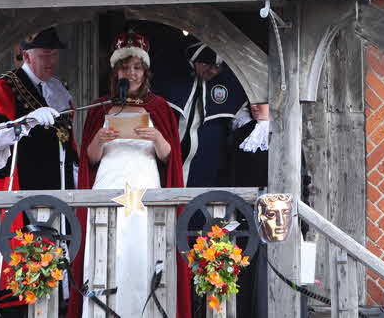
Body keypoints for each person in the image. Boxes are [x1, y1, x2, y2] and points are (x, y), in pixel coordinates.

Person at [68, 31, 191, 318]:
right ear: (116, 71)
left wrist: (157, 136)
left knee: (140, 248)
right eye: (125, 67)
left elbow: (169, 157)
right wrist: (99, 138)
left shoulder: (159, 108)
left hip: (143, 184)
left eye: (137, 68)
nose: (131, 73)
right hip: (108, 183)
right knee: (105, 247)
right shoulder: (100, 108)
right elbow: (90, 159)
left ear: (145, 72)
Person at [0, 27, 78, 314]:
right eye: (44, 54)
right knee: (25, 255)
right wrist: (27, 121)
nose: (51, 60)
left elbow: (68, 145)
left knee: (59, 251)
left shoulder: (58, 90)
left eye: (54, 54)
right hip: (24, 185)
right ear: (27, 55)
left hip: (58, 186)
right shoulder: (6, 86)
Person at [154, 41, 269, 188]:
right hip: (174, 157)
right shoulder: (173, 80)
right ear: (194, 61)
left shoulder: (229, 86)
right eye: (207, 64)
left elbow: (244, 120)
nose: (213, 71)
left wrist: (264, 120)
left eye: (217, 67)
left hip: (211, 159)